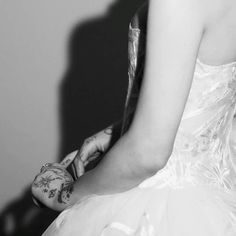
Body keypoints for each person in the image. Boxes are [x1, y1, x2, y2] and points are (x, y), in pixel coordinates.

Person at [32, 0, 236, 234]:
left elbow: (148, 153)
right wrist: (125, 128)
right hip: (214, 205)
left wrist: (64, 195)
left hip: (157, 205)